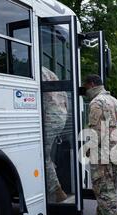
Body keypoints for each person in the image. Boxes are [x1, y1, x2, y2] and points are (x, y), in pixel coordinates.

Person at [84, 75, 117, 215]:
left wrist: (88, 148)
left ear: (92, 84)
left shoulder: (96, 102)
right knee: (110, 187)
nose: (85, 91)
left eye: (85, 87)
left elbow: (96, 131)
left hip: (102, 153)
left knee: (103, 189)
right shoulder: (116, 101)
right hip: (116, 150)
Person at [42, 66, 68, 203]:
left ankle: (58, 191)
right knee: (47, 154)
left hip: (49, 118)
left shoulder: (36, 70)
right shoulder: (49, 72)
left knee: (42, 156)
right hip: (59, 116)